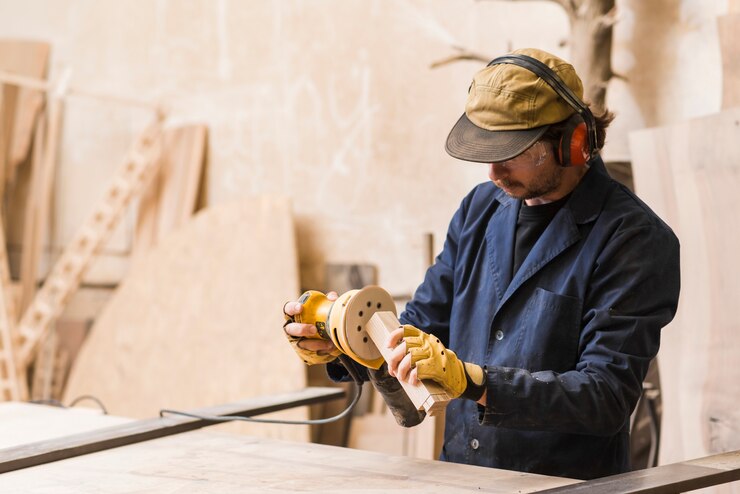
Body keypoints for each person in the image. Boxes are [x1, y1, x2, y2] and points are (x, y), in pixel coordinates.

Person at [282, 48, 680, 480]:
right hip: (464, 480)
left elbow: (605, 397)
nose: (493, 172)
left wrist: (473, 381)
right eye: (485, 152)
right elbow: (421, 326)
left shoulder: (634, 240)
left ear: (571, 143)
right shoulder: (480, 209)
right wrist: (346, 341)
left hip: (563, 485)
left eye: (510, 153)